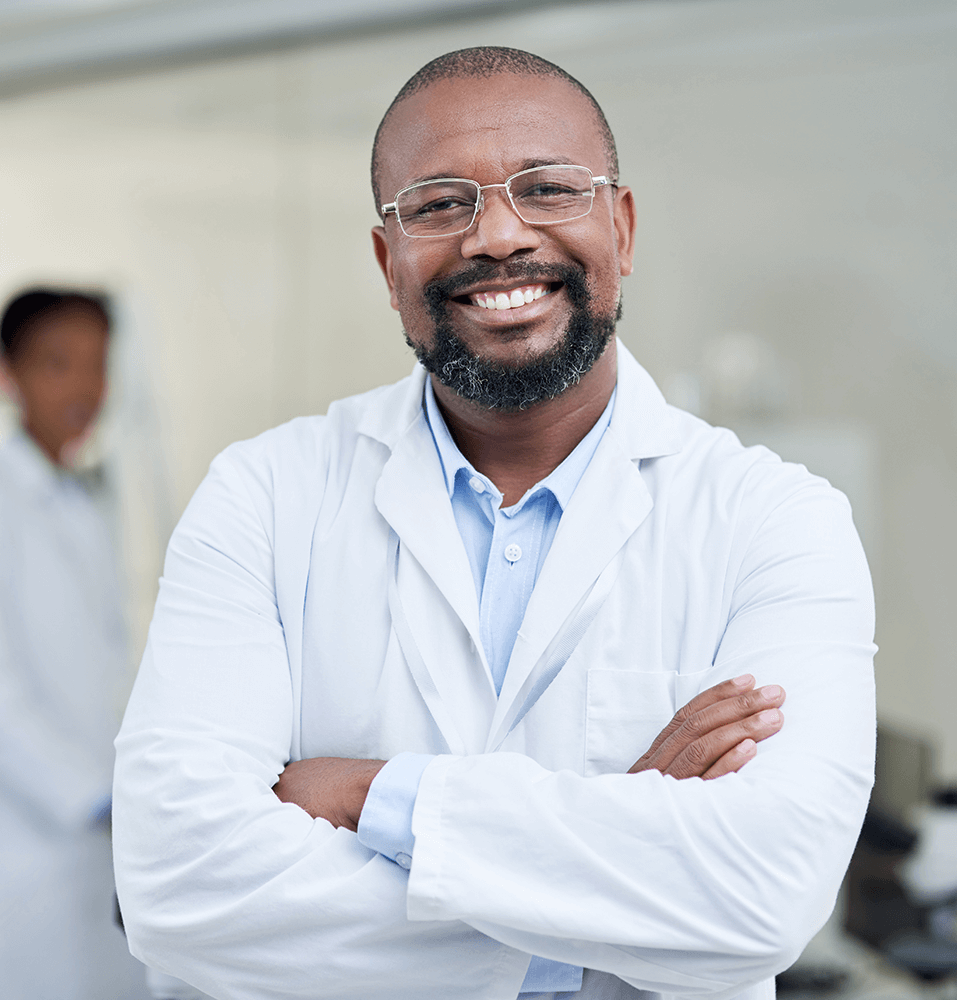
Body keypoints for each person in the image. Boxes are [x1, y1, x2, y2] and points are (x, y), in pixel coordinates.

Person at [113, 47, 876, 1000]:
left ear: (621, 228)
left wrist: (368, 794)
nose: (500, 235)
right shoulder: (264, 497)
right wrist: (606, 876)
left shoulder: (775, 519)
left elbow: (760, 898)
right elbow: (176, 885)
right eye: (439, 204)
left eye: (548, 189)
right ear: (389, 263)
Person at [0, 289, 135, 998]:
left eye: (97, 365)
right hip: (30, 841)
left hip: (99, 838)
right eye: (58, 363)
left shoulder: (80, 502)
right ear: (8, 374)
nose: (84, 387)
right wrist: (96, 798)